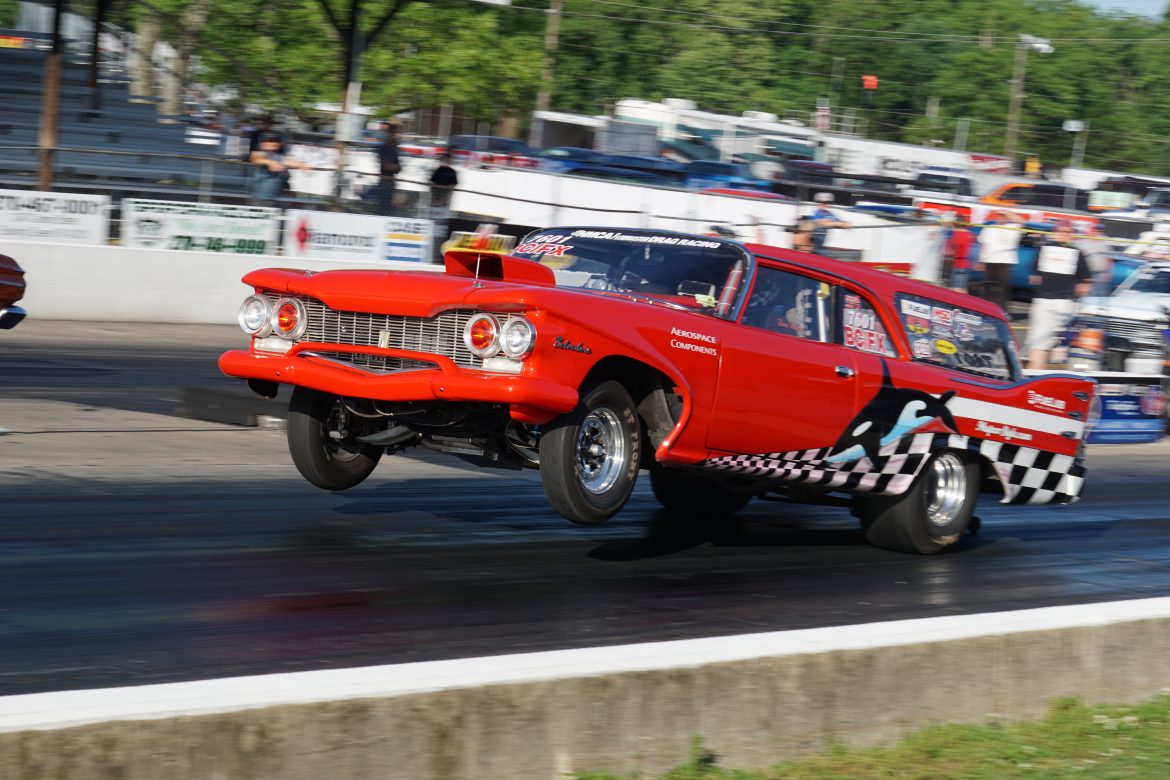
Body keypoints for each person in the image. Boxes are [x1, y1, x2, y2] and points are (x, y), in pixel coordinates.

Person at [1024, 220, 1093, 369]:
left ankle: (1044, 369)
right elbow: (1034, 274)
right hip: (1045, 300)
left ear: (1072, 234)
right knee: (1040, 344)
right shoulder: (1045, 249)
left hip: (1064, 303)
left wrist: (1083, 286)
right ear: (1055, 232)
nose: (1064, 235)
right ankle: (1034, 373)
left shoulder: (1076, 252)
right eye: (1061, 231)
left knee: (1056, 344)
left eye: (1067, 232)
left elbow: (1087, 279)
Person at [975, 210, 1022, 310]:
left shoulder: (1013, 227)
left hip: (1005, 262)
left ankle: (1002, 310)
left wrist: (1008, 213)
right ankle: (985, 309)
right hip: (989, 260)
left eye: (1003, 216)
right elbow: (983, 245)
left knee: (1003, 288)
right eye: (999, 216)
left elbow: (1021, 221)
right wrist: (980, 261)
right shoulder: (989, 229)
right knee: (987, 287)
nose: (1000, 218)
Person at [249, 133, 307, 204]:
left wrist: (301, 165)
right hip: (259, 198)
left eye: (275, 141)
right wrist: (270, 162)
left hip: (276, 198)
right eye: (267, 141)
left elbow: (288, 161)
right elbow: (255, 159)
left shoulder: (279, 156)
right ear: (262, 143)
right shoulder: (259, 153)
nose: (271, 143)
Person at [365, 121, 401, 216]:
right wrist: (396, 167)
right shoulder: (385, 148)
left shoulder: (394, 148)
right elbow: (386, 165)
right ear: (392, 134)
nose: (399, 136)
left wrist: (396, 167)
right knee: (384, 209)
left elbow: (398, 168)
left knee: (388, 208)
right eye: (397, 133)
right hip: (385, 183)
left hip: (390, 183)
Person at [1074, 222, 1114, 297]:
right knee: (1086, 294)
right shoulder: (1082, 243)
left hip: (1100, 274)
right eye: (1093, 230)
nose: (1095, 232)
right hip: (1087, 274)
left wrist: (1108, 272)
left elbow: (1109, 259)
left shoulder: (1104, 243)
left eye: (1096, 231)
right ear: (1089, 231)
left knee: (1100, 294)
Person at [944, 215, 974, 293]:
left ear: (956, 223)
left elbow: (951, 249)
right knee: (963, 290)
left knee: (955, 291)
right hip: (966, 264)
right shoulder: (970, 234)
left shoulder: (955, 234)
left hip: (957, 264)